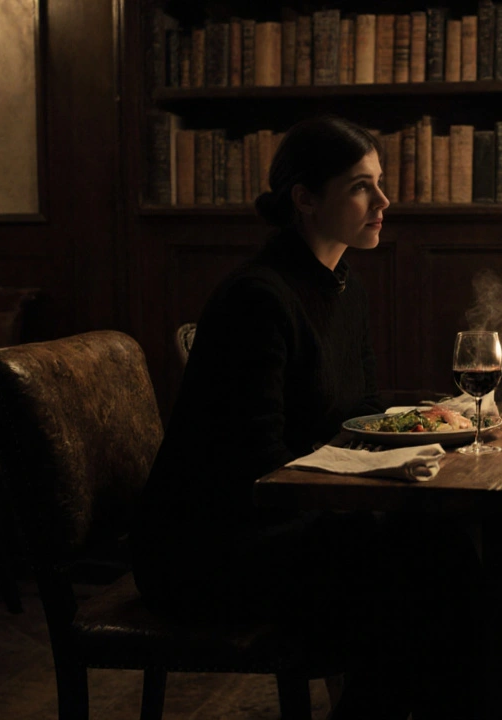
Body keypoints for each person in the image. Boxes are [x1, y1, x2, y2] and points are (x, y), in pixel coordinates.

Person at [131, 116, 479, 720]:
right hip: (212, 548)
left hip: (291, 518)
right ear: (306, 199)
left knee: (437, 544)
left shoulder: (343, 286)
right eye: (361, 187)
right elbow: (257, 469)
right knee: (413, 568)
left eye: (379, 183)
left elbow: (357, 410)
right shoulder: (258, 298)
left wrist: (430, 413)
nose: (383, 201)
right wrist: (371, 487)